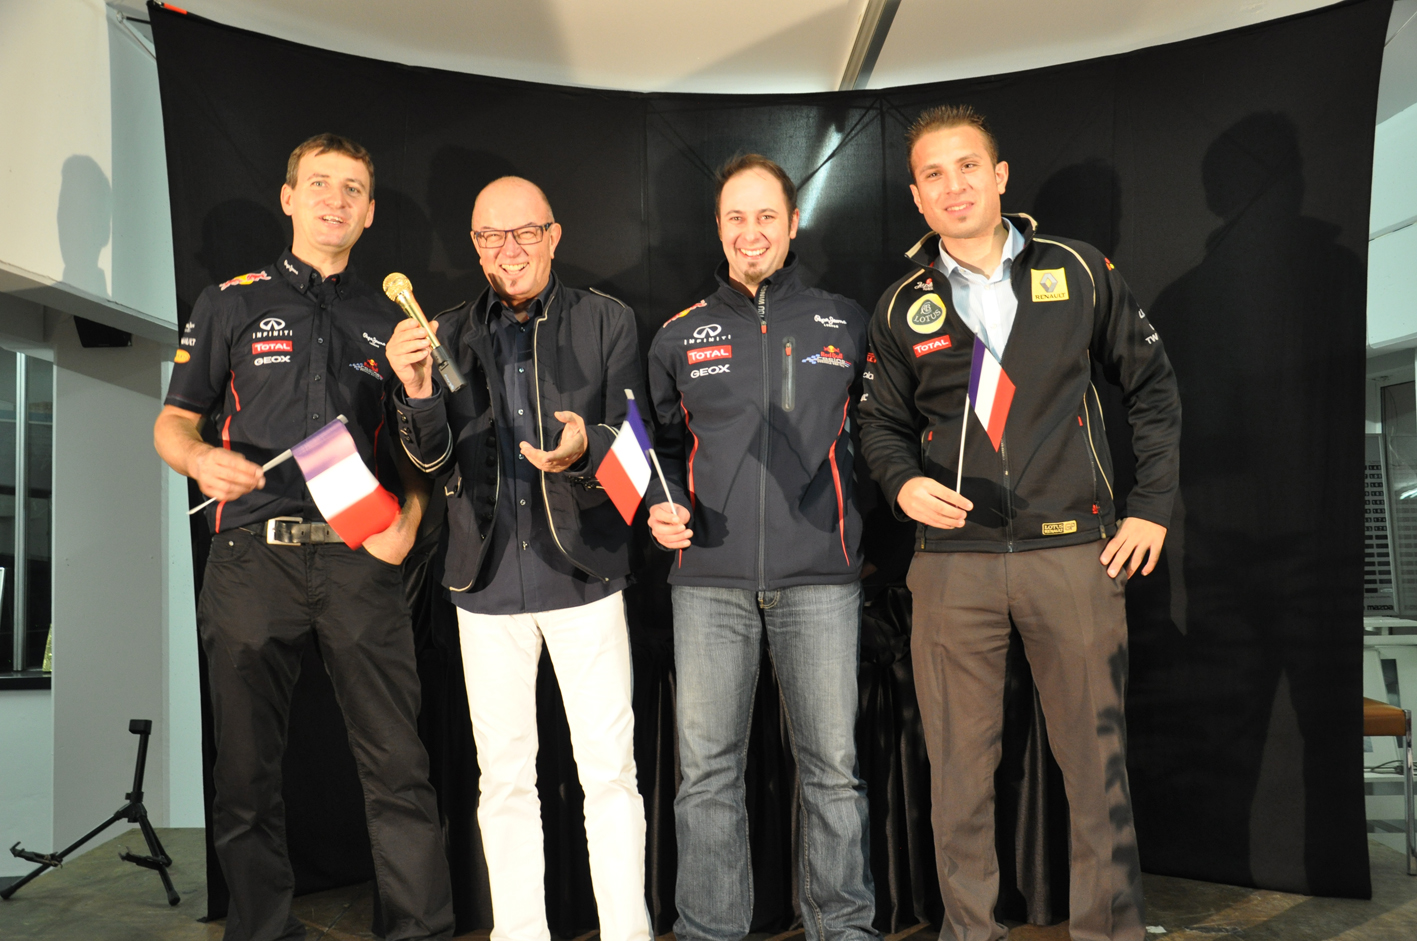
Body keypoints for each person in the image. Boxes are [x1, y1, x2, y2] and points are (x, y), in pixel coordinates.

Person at [859, 104, 1181, 941]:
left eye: (968, 166)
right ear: (916, 197)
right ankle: (971, 933)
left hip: (1074, 555)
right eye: (933, 174)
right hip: (950, 565)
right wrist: (900, 484)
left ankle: (1109, 932)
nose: (953, 185)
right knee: (958, 777)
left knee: (1096, 769)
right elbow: (877, 424)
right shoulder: (901, 306)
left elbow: (1151, 389)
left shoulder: (1078, 270)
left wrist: (1150, 508)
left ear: (999, 176)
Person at [153, 133, 454, 941]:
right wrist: (199, 459)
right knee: (245, 773)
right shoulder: (228, 302)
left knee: (398, 765)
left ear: (369, 212)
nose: (334, 199)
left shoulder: (390, 319)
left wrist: (408, 523)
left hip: (361, 556)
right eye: (319, 183)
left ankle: (419, 930)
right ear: (288, 198)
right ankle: (263, 929)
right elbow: (173, 422)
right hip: (251, 559)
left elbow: (419, 448)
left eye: (352, 188)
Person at [384, 176, 650, 941]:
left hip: (585, 575)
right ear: (474, 246)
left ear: (553, 235)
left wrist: (583, 449)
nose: (510, 250)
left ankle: (627, 932)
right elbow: (430, 461)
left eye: (525, 233)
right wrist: (416, 388)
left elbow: (635, 442)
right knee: (503, 781)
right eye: (491, 237)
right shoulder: (440, 330)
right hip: (485, 583)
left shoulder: (606, 319)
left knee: (610, 775)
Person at [646, 155, 879, 941]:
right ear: (718, 227)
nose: (752, 233)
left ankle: (842, 929)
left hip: (821, 579)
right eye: (736, 218)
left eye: (766, 217)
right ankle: (708, 930)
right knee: (706, 777)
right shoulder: (679, 334)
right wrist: (659, 505)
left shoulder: (845, 321)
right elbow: (659, 450)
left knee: (832, 773)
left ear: (792, 224)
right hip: (707, 582)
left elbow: (882, 433)